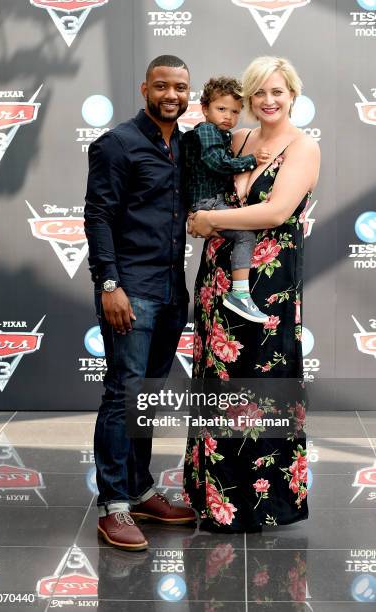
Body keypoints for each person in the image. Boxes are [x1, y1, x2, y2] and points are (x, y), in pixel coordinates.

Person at [183, 56, 320, 532]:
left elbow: (276, 212)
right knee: (217, 383)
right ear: (246, 97)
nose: (268, 100)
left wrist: (210, 221)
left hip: (269, 288)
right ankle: (213, 496)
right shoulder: (235, 139)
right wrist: (202, 217)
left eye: (277, 91)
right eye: (259, 92)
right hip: (217, 279)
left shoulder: (303, 148)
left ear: (293, 95)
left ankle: (261, 502)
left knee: (260, 385)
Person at [84, 55, 196, 552]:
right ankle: (113, 506)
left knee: (145, 396)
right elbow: (98, 217)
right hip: (130, 290)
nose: (172, 95)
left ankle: (141, 488)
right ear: (144, 87)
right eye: (162, 86)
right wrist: (110, 285)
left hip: (173, 291)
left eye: (181, 87)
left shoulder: (187, 148)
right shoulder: (117, 145)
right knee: (121, 395)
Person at [182, 76, 271, 323]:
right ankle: (240, 293)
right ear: (204, 109)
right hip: (208, 202)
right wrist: (252, 160)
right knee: (245, 235)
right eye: (221, 109)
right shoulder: (207, 131)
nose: (228, 117)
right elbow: (217, 162)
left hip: (210, 202)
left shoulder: (223, 134)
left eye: (234, 111)